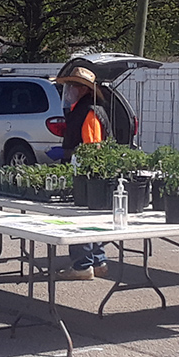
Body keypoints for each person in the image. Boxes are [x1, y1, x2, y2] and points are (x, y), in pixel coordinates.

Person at [56, 66, 111, 280]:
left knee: (78, 217)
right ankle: (97, 261)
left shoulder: (88, 111)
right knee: (90, 217)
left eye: (72, 86)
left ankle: (82, 265)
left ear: (83, 89)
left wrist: (70, 154)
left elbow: (92, 146)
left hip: (85, 172)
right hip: (86, 171)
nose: (68, 90)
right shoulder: (84, 108)